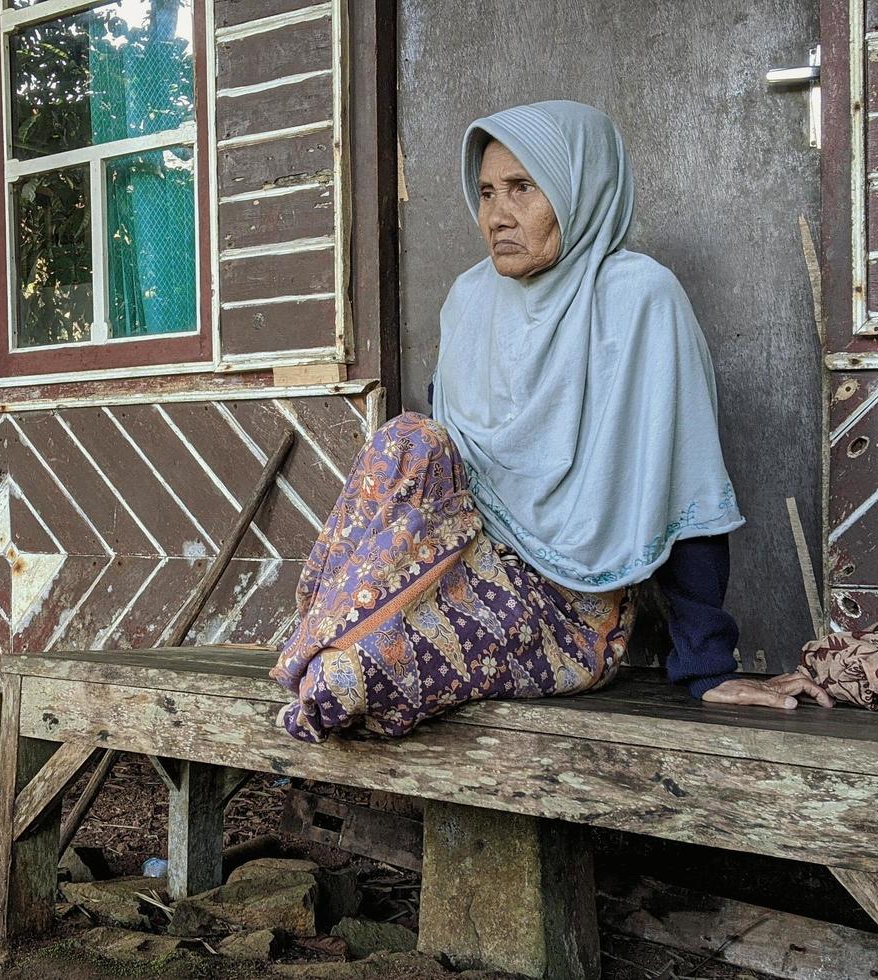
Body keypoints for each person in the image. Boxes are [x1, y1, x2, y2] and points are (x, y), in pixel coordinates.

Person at [270, 101, 831, 743]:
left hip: (571, 611)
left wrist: (708, 668)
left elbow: (686, 484)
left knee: (349, 681)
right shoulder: (470, 299)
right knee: (408, 441)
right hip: (466, 562)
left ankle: (325, 651)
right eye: (485, 192)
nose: (497, 215)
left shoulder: (639, 298)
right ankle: (321, 637)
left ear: (579, 189)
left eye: (522, 188)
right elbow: (443, 482)